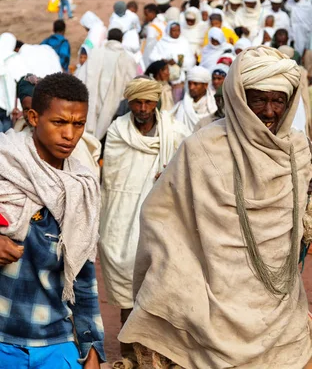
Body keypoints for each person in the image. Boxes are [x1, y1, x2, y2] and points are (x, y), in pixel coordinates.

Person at [119, 47, 312, 369]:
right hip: (209, 309)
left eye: (278, 100)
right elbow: (161, 219)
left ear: (290, 102)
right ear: (238, 97)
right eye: (258, 99)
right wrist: (179, 277)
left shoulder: (298, 151)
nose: (267, 111)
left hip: (280, 308)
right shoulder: (200, 148)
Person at [0, 73, 105, 368]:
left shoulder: (81, 187)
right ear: (34, 117)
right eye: (59, 122)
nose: (70, 135)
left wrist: (92, 349)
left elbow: (83, 275)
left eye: (78, 124)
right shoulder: (5, 164)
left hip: (55, 342)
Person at [98, 77, 189, 367]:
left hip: (159, 221)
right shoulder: (117, 131)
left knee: (161, 285)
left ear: (156, 102)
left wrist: (168, 178)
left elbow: (186, 170)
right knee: (127, 289)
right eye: (137, 101)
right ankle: (128, 355)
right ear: (130, 102)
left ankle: (162, 353)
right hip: (121, 221)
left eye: (148, 102)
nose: (142, 107)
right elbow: (112, 182)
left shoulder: (174, 133)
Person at [76, 28, 137, 142]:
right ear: (121, 39)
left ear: (107, 38)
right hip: (116, 107)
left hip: (91, 102)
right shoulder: (127, 58)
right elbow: (131, 84)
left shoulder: (95, 53)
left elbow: (81, 76)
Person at [149, 22, 196, 103]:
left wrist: (179, 62)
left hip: (178, 79)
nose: (176, 33)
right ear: (168, 31)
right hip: (163, 79)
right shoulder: (162, 43)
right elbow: (152, 57)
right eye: (174, 30)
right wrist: (165, 61)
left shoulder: (184, 42)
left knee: (177, 101)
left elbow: (191, 60)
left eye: (178, 30)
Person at [173, 66, 217, 132]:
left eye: (195, 84)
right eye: (189, 83)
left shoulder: (213, 105)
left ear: (205, 85)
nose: (191, 87)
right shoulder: (181, 106)